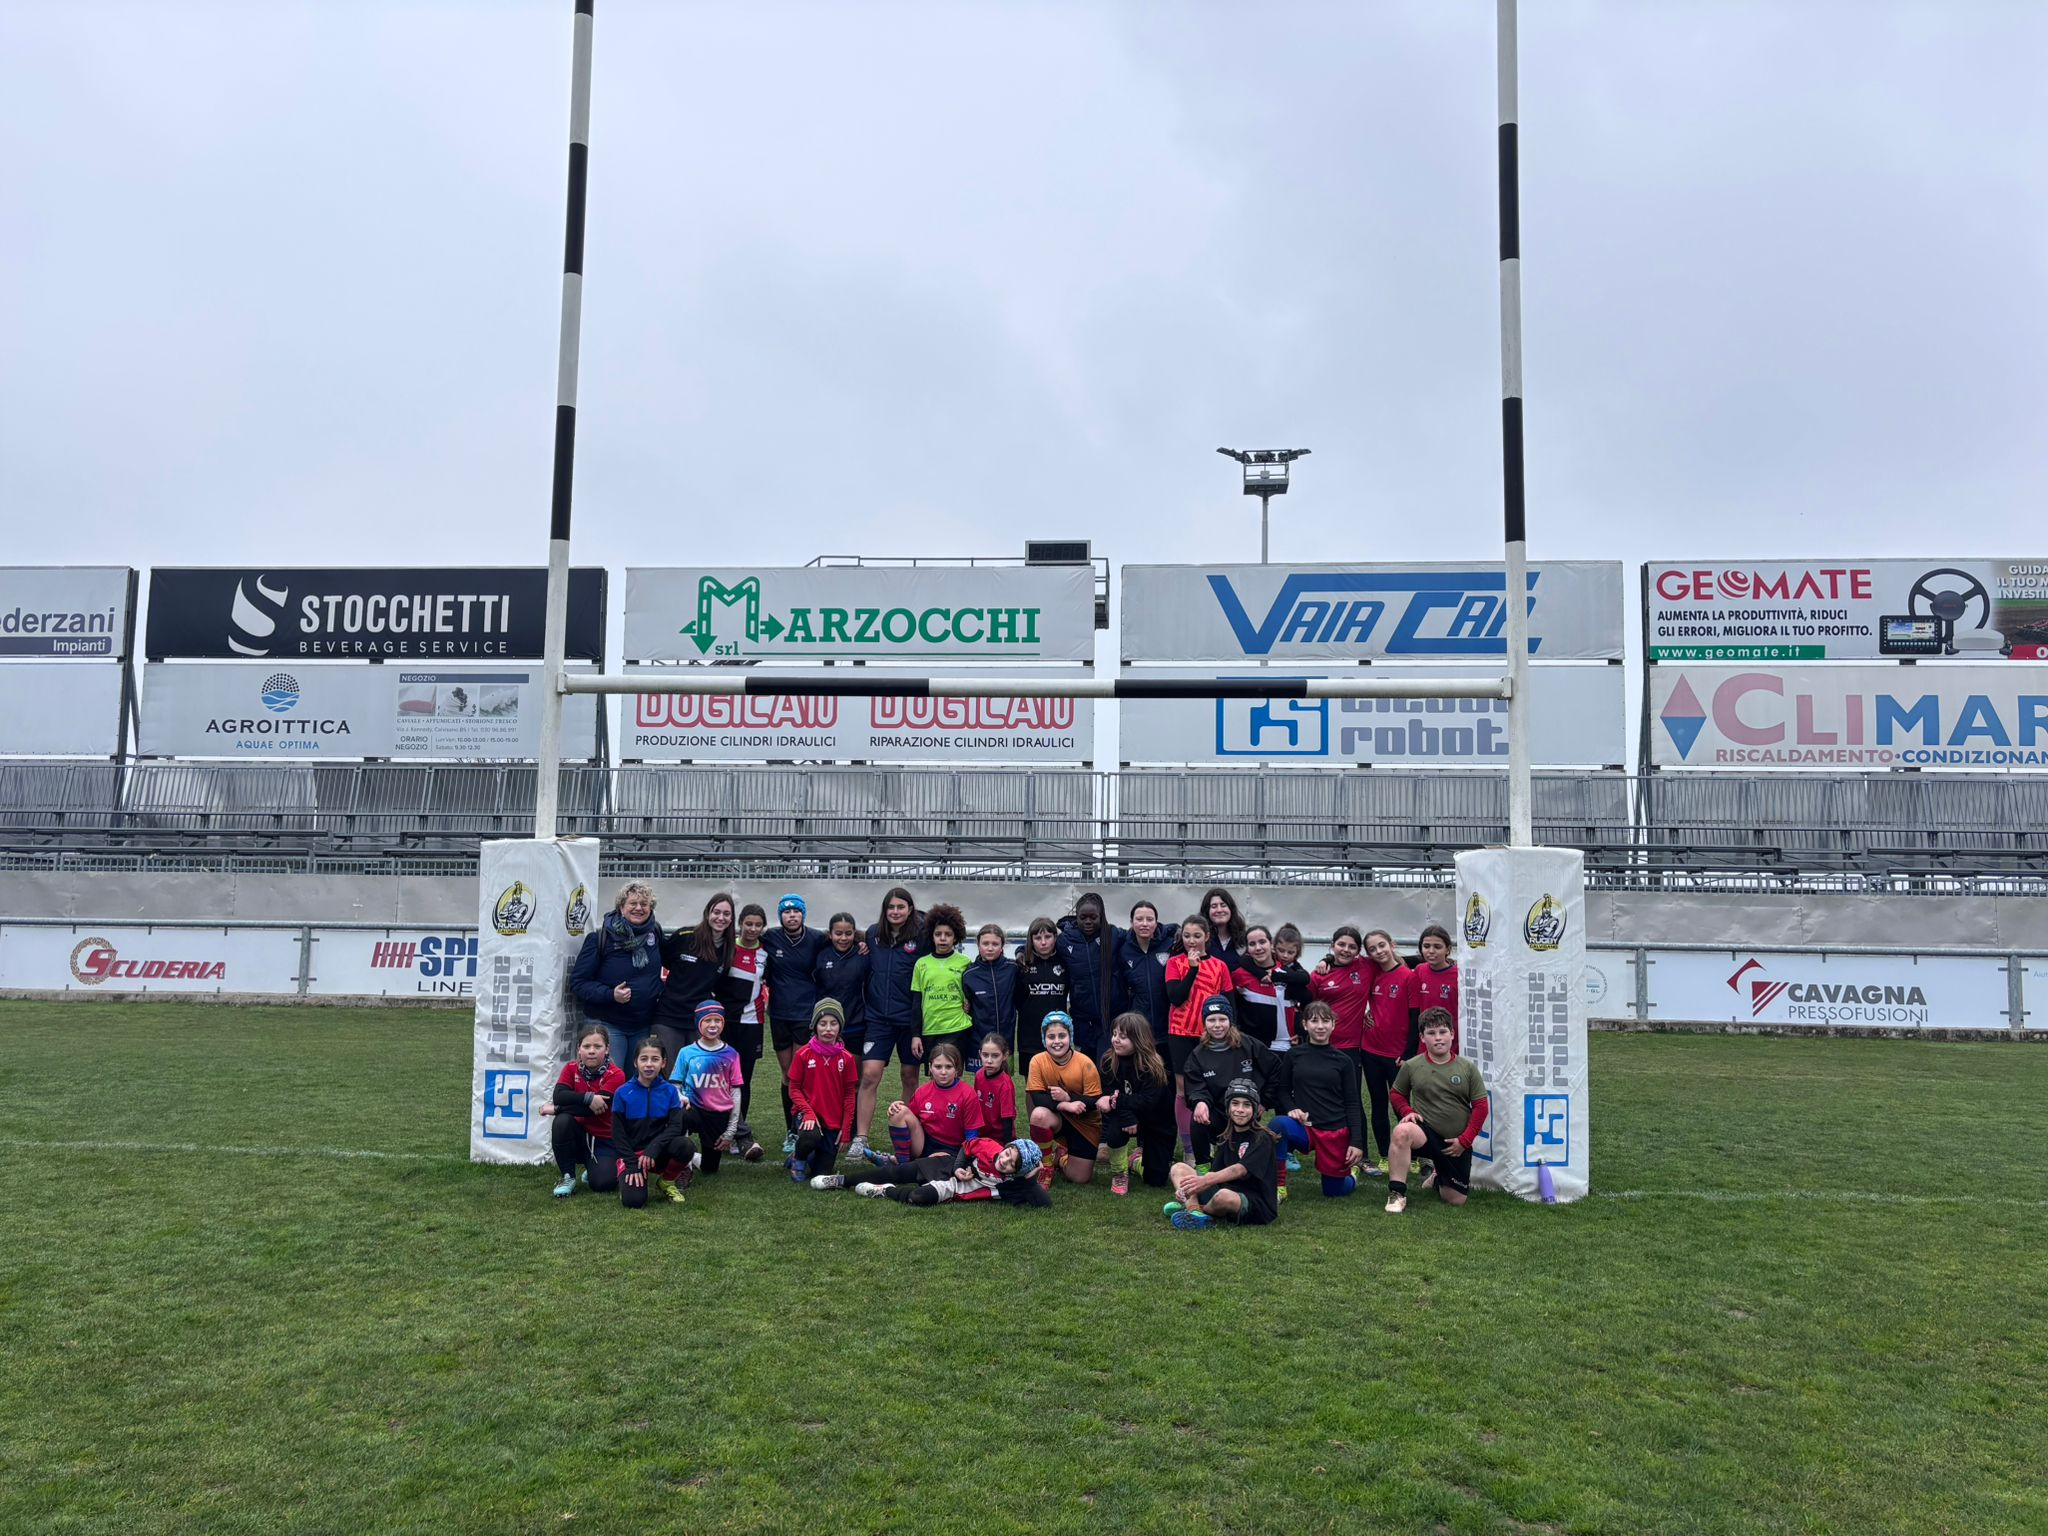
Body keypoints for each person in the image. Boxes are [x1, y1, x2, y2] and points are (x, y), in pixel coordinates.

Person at [1386, 1009, 1489, 1214]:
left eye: (1443, 1032)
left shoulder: (1467, 1068)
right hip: (1425, 1134)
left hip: (1455, 1143)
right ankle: (1397, 1193)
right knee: (1401, 1131)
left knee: (1455, 1200)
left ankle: (1436, 1178)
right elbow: (1396, 1093)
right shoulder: (1412, 1066)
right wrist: (1407, 1110)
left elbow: (1481, 1107)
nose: (1438, 1038)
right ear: (1423, 1037)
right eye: (1432, 1033)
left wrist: (1464, 1141)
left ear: (1452, 1034)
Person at [1271, 1001, 1367, 1197]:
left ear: (1333, 1025)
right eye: (1314, 1021)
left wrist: (1357, 1142)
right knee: (1277, 1125)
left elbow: (1353, 1103)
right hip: (1305, 1128)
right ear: (1305, 1025)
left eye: (1326, 1021)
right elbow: (1282, 1090)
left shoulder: (1344, 1061)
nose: (1320, 1026)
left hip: (1334, 1130)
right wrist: (1291, 1108)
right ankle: (1278, 1187)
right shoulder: (1293, 1055)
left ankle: (1352, 1176)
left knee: (1334, 1191)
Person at [568, 881, 664, 1073]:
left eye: (644, 904)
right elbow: (578, 983)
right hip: (607, 1025)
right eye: (633, 903)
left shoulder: (655, 934)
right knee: (609, 1083)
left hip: (642, 1026)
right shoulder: (600, 938)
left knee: (635, 1085)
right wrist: (610, 994)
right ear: (621, 907)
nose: (639, 908)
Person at [762, 893, 830, 1154]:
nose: (791, 915)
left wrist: (862, 942)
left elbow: (840, 937)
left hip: (805, 1013)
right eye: (787, 912)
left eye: (796, 911)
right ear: (780, 915)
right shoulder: (770, 937)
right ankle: (792, 1128)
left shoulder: (815, 938)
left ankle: (806, 1125)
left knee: (802, 1075)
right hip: (779, 1014)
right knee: (787, 1075)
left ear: (803, 914)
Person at [1164, 1077, 1279, 1230]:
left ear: (1255, 1109)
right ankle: (1194, 1211)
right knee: (1179, 1168)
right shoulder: (1226, 1136)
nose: (1240, 1109)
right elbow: (1215, 1173)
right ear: (1228, 1107)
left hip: (1253, 1201)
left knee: (1223, 1196)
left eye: (1246, 1105)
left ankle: (1197, 1210)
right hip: (1223, 1189)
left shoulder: (1262, 1138)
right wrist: (1187, 1188)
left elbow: (1240, 1169)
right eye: (1235, 1103)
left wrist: (1204, 1181)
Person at [1163, 913, 1235, 1156]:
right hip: (1181, 1033)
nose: (1191, 941)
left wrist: (1230, 1033)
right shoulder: (1175, 963)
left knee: (1213, 1087)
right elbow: (1176, 997)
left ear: (1207, 936)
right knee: (1183, 1091)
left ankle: (1212, 1140)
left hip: (1211, 1035)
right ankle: (1189, 1148)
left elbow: (1229, 1002)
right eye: (1186, 936)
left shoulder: (1220, 966)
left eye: (1196, 936)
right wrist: (1193, 970)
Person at [862, 887, 930, 1142]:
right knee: (869, 1074)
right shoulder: (872, 935)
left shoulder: (921, 938)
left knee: (909, 1075)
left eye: (900, 907)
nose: (895, 912)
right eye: (891, 907)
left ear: (910, 909)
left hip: (909, 1020)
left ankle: (906, 1132)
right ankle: (861, 1137)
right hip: (878, 1018)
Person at [811, 1136, 1049, 1208]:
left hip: (955, 1187)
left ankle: (885, 1192)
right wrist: (958, 1168)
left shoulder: (1014, 1184)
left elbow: (1044, 1205)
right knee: (898, 1171)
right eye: (1008, 1154)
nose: (1004, 1161)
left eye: (1011, 1165)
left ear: (1017, 1172)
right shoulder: (989, 1147)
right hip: (946, 1167)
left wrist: (1031, 1178)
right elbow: (965, 1148)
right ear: (1006, 1147)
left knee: (918, 1197)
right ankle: (842, 1180)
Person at [1181, 994, 1277, 1168]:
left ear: (1230, 1020)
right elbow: (1195, 1085)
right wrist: (1200, 1102)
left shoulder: (1249, 1045)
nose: (1217, 1025)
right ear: (1204, 1022)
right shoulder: (1198, 1055)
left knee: (1241, 1165)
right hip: (1218, 1112)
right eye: (1211, 1020)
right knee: (1198, 1118)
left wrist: (1264, 1101)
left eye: (1222, 1019)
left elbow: (1276, 1070)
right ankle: (1203, 1166)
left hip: (1246, 1111)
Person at [541, 1023, 627, 1197]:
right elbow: (559, 1095)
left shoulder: (617, 1074)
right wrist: (588, 1098)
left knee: (603, 1184)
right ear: (579, 1049)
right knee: (562, 1121)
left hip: (605, 1138)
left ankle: (595, 1166)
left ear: (607, 1049)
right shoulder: (571, 1068)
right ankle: (568, 1176)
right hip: (578, 1134)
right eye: (586, 1046)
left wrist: (557, 1109)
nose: (592, 1051)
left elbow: (596, 1110)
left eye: (598, 1046)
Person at [1095, 1011, 1175, 1196]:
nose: (1115, 1040)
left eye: (1123, 1037)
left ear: (1139, 1039)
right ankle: (1120, 1173)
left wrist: (1118, 1101)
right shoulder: (1109, 1060)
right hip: (1126, 1116)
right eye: (1114, 1034)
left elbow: (1148, 1101)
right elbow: (1109, 1093)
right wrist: (1127, 1116)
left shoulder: (1153, 1065)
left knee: (1156, 1180)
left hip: (1157, 1119)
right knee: (1114, 1131)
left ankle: (1136, 1161)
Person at [652, 892, 734, 1069]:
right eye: (716, 912)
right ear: (707, 914)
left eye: (726, 914)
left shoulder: (729, 949)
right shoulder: (685, 936)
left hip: (699, 1021)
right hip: (669, 1018)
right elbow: (661, 959)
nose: (721, 918)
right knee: (668, 1074)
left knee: (697, 1076)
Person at [611, 1037, 695, 1209]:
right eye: (644, 1059)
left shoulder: (670, 1091)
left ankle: (666, 1181)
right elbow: (618, 1135)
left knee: (686, 1146)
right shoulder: (622, 1093)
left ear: (663, 1063)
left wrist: (653, 1149)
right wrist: (632, 1164)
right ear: (635, 1062)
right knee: (634, 1202)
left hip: (657, 1153)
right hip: (633, 1155)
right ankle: (625, 1173)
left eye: (655, 1059)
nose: (649, 1064)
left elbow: (675, 1127)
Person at [786, 997, 861, 1183]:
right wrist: (808, 1113)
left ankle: (805, 1156)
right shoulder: (803, 1054)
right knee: (810, 1135)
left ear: (840, 1027)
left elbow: (849, 1094)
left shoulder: (847, 1058)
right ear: (815, 1026)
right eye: (823, 1024)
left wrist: (846, 1128)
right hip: (808, 1114)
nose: (828, 1029)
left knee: (822, 1172)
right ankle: (799, 1158)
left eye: (833, 1024)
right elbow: (793, 1089)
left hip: (833, 1120)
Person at [1358, 929, 1413, 1175]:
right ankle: (1383, 1154)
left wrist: (1408, 1051)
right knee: (1378, 1104)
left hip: (1397, 1054)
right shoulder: (1372, 973)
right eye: (1372, 949)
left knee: (1401, 1104)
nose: (1378, 952)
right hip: (1370, 1050)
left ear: (1392, 944)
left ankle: (1414, 1155)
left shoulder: (1407, 976)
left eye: (1382, 945)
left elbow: (1415, 1017)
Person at [719, 903, 771, 1160]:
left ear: (763, 927)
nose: (752, 929)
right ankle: (725, 1130)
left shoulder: (766, 952)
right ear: (740, 924)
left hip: (752, 1023)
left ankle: (740, 1133)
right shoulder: (728, 948)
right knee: (721, 1078)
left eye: (757, 924)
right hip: (725, 1023)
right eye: (748, 924)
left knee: (743, 1080)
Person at [1025, 1012, 1102, 1187]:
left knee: (1079, 1178)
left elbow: (1094, 1102)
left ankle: (1061, 1158)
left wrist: (1070, 1097)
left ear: (1070, 1036)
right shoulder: (1037, 1061)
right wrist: (1065, 1104)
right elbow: (1037, 1098)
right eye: (1051, 1036)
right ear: (1044, 1039)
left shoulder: (1085, 1063)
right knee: (1039, 1115)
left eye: (1062, 1036)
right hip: (1058, 1117)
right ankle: (1045, 1166)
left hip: (1084, 1124)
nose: (1057, 1041)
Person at [672, 999, 747, 1176]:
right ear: (698, 1023)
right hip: (694, 1109)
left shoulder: (731, 1054)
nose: (713, 1025)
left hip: (717, 1114)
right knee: (680, 1116)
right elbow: (675, 1084)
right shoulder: (686, 1053)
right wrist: (681, 1097)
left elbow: (735, 1092)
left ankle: (694, 1157)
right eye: (707, 1020)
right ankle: (684, 1165)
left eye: (718, 1020)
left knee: (710, 1168)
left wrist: (731, 1130)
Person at [877, 1039, 983, 1164]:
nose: (943, 1072)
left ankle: (897, 1164)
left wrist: (964, 1160)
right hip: (924, 1144)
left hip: (953, 1150)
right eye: (938, 1067)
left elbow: (972, 1135)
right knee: (898, 1112)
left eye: (948, 1067)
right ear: (931, 1068)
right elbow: (911, 1121)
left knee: (934, 1164)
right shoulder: (922, 1092)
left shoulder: (968, 1094)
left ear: (957, 1069)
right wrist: (896, 1107)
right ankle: (903, 1163)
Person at [910, 904, 974, 1068]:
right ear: (932, 936)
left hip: (957, 1028)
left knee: (954, 1074)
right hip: (930, 1030)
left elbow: (972, 994)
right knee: (936, 1075)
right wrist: (916, 1035)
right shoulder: (921, 964)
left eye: (948, 934)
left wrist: (969, 1005)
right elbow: (917, 1002)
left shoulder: (965, 962)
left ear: (955, 937)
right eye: (938, 934)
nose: (943, 938)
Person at [812, 912, 871, 1086]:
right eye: (838, 933)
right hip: (828, 1028)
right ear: (830, 934)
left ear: (855, 933)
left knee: (854, 1081)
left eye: (848, 933)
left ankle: (853, 1115)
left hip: (856, 1026)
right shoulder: (821, 956)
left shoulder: (863, 955)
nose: (843, 938)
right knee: (828, 1081)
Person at [1231, 924, 1309, 1053]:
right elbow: (1233, 1008)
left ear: (1271, 943)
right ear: (1247, 949)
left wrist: (1300, 1032)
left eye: (1262, 942)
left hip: (1285, 1048)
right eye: (1252, 944)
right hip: (1251, 1048)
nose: (1258, 948)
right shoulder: (1239, 975)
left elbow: (1307, 1001)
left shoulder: (1288, 974)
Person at [1053, 893, 1112, 1059]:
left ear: (1101, 916)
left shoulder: (1113, 936)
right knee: (1084, 1069)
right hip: (1082, 1020)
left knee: (1105, 1067)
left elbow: (1139, 938)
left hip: (1109, 1020)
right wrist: (1021, 951)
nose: (1088, 922)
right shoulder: (1065, 941)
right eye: (1083, 917)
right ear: (1076, 916)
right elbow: (1042, 948)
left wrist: (1174, 931)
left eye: (1093, 917)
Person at [1109, 900, 1173, 1048]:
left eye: (1150, 919)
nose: (1144, 924)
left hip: (1168, 1026)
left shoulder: (1170, 944)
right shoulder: (1123, 950)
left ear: (1156, 923)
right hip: (1138, 1029)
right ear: (1131, 922)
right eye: (1139, 919)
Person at [1307, 925, 1371, 1056]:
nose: (1346, 950)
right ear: (1332, 945)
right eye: (1341, 944)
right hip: (1321, 1043)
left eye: (1352, 947)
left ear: (1358, 951)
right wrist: (1326, 959)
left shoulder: (1367, 966)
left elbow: (1392, 962)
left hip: (1352, 1045)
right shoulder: (1318, 975)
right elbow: (1305, 1008)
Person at [1014, 916, 1072, 1062]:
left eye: (1048, 936)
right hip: (1029, 1038)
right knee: (1033, 1083)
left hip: (1057, 1036)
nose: (1044, 942)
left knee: (1059, 1082)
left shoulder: (1065, 962)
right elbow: (1016, 999)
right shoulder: (1022, 966)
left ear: (1055, 937)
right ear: (1031, 940)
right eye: (1038, 938)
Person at [962, 922, 1020, 1059]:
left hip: (1006, 1039)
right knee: (982, 1078)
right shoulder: (969, 974)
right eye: (985, 943)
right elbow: (965, 1004)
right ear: (977, 944)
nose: (990, 948)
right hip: (979, 1040)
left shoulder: (1013, 968)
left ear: (1002, 946)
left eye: (995, 944)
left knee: (1004, 1079)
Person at [1402, 923, 1461, 1056]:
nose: (1431, 951)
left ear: (1448, 949)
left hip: (1450, 1042)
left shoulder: (1459, 975)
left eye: (1437, 947)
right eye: (1426, 946)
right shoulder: (1419, 971)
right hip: (1425, 1041)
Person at [972, 1031, 1018, 1140]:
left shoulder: (1005, 1084)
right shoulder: (979, 1075)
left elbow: (1007, 1119)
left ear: (1005, 1056)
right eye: (985, 1055)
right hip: (981, 1135)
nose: (989, 1061)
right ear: (980, 1054)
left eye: (995, 1056)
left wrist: (1006, 1147)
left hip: (999, 1138)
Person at [1196, 887, 1250, 975]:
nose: (1219, 910)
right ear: (1207, 911)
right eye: (1214, 906)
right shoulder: (1199, 941)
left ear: (1231, 909)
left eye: (1223, 905)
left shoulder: (1244, 939)